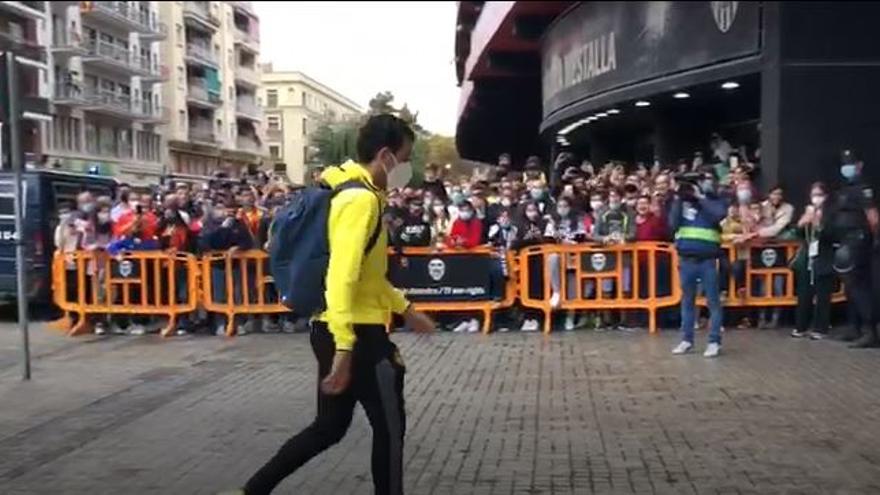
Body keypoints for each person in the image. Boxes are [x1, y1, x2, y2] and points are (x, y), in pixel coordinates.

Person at [241, 114, 435, 495]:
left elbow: (367, 277)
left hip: (334, 327)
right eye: (405, 157)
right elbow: (342, 276)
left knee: (328, 428)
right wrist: (345, 349)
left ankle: (251, 491)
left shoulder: (350, 191)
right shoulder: (360, 200)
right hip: (356, 335)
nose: (406, 169)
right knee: (390, 430)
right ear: (385, 155)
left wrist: (406, 309)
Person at [668, 169, 727, 358]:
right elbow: (672, 223)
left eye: (706, 179)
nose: (704, 182)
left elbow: (719, 215)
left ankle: (714, 341)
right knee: (687, 301)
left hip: (708, 260)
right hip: (687, 260)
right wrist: (679, 197)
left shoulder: (717, 200)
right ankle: (686, 340)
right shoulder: (682, 202)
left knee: (713, 302)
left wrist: (700, 197)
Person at [829, 150, 879, 348]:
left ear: (859, 166)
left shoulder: (863, 188)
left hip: (858, 240)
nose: (847, 167)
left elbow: (873, 217)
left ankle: (869, 331)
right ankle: (854, 327)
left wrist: (872, 238)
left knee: (859, 286)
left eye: (851, 163)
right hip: (845, 239)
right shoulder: (844, 189)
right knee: (849, 285)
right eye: (844, 163)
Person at [791, 182, 834, 340]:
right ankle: (800, 326)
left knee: (822, 293)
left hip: (824, 256)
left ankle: (820, 328)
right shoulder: (807, 212)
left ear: (825, 196)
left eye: (819, 195)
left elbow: (832, 234)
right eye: (813, 195)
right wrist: (803, 223)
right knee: (804, 292)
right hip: (808, 257)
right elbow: (799, 233)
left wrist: (818, 223)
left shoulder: (831, 213)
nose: (816, 198)